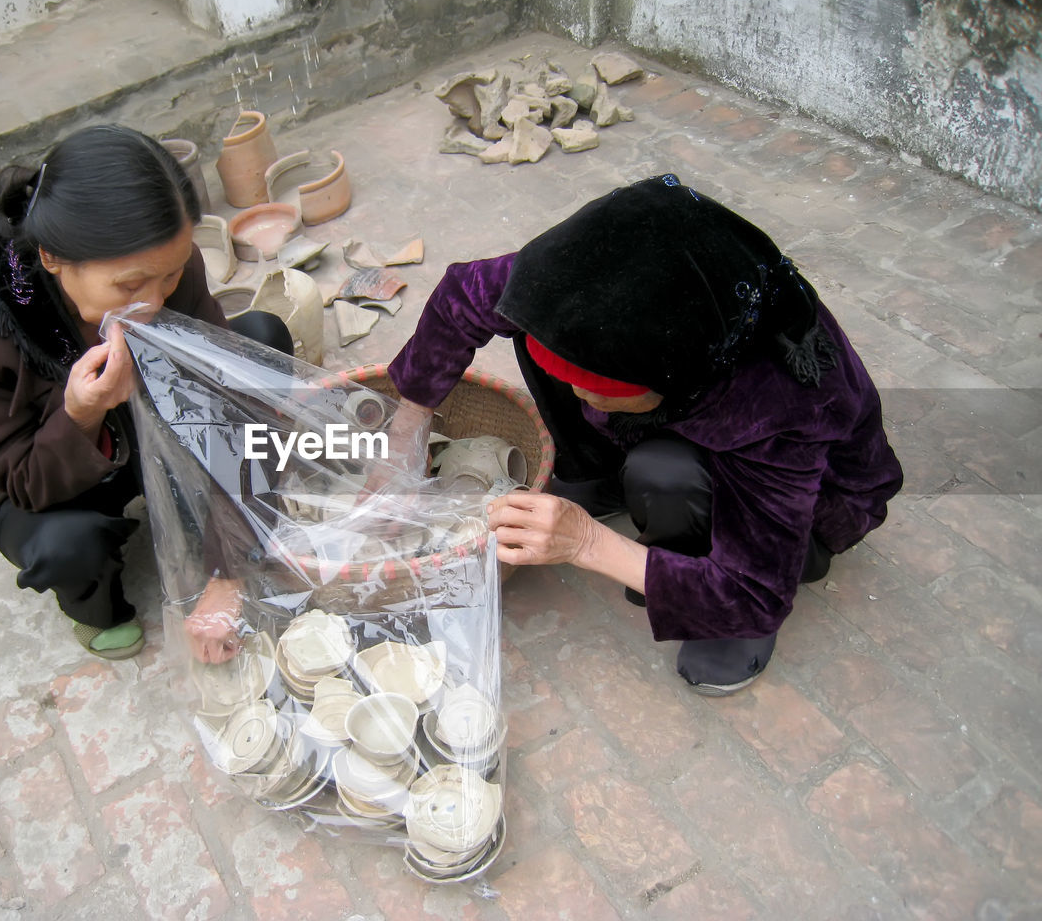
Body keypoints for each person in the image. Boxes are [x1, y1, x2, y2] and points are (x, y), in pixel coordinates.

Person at [386, 174, 903, 694]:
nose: (578, 399)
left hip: (806, 515)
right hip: (670, 395)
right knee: (550, 331)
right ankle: (601, 476)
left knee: (663, 474)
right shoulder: (607, 274)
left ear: (669, 378)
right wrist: (404, 440)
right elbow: (463, 295)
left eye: (600, 393)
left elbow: (753, 590)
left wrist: (586, 542)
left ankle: (720, 617)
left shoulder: (775, 406)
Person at [0, 124, 290, 661]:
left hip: (150, 433)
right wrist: (81, 414)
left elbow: (233, 406)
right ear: (51, 256)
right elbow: (19, 479)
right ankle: (94, 606)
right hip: (54, 475)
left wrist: (225, 575)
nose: (153, 300)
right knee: (65, 547)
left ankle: (202, 523)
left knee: (259, 345)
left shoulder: (166, 265)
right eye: (129, 285)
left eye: (169, 277)